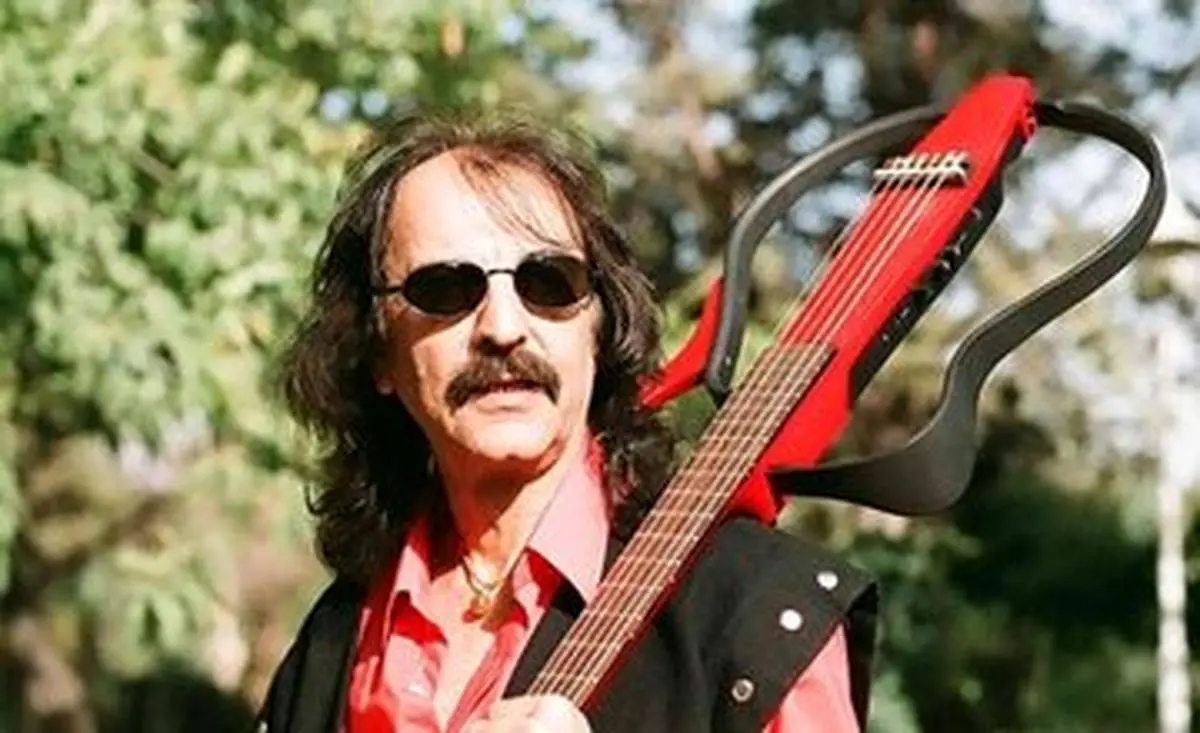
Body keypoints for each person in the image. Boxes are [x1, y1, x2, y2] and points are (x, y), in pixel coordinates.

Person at [257, 108, 876, 733]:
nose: (503, 328)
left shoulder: (756, 612)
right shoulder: (337, 637)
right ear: (376, 352)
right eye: (445, 290)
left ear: (598, 330)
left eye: (549, 282)